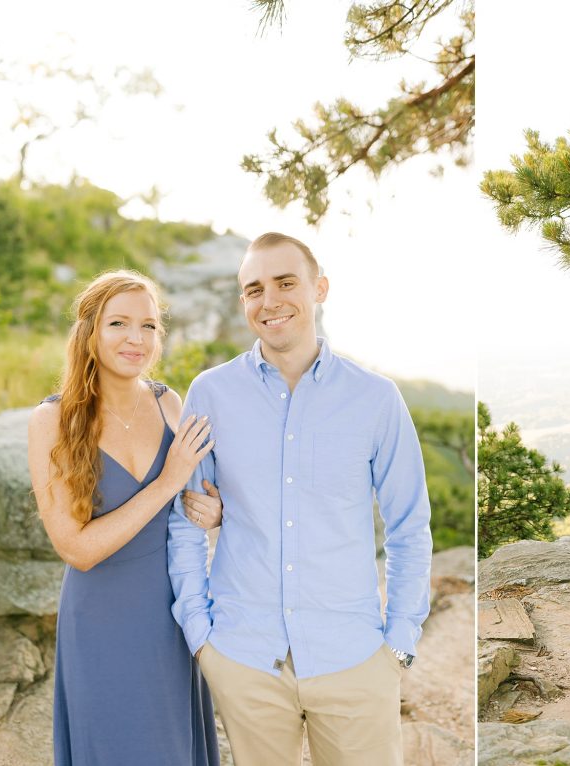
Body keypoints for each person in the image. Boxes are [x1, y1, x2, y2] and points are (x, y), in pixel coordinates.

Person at [168, 232, 433, 766]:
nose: (269, 301)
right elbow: (185, 520)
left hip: (355, 659)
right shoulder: (211, 394)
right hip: (244, 658)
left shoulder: (376, 399)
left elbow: (409, 525)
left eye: (285, 283)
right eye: (253, 289)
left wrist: (399, 642)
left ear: (320, 289)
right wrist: (201, 635)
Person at [28, 270, 222, 766]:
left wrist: (212, 509)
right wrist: (166, 482)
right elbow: (77, 549)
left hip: (170, 617)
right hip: (99, 621)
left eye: (149, 326)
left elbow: (189, 505)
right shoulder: (52, 421)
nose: (136, 339)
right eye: (119, 323)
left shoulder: (168, 403)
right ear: (89, 331)